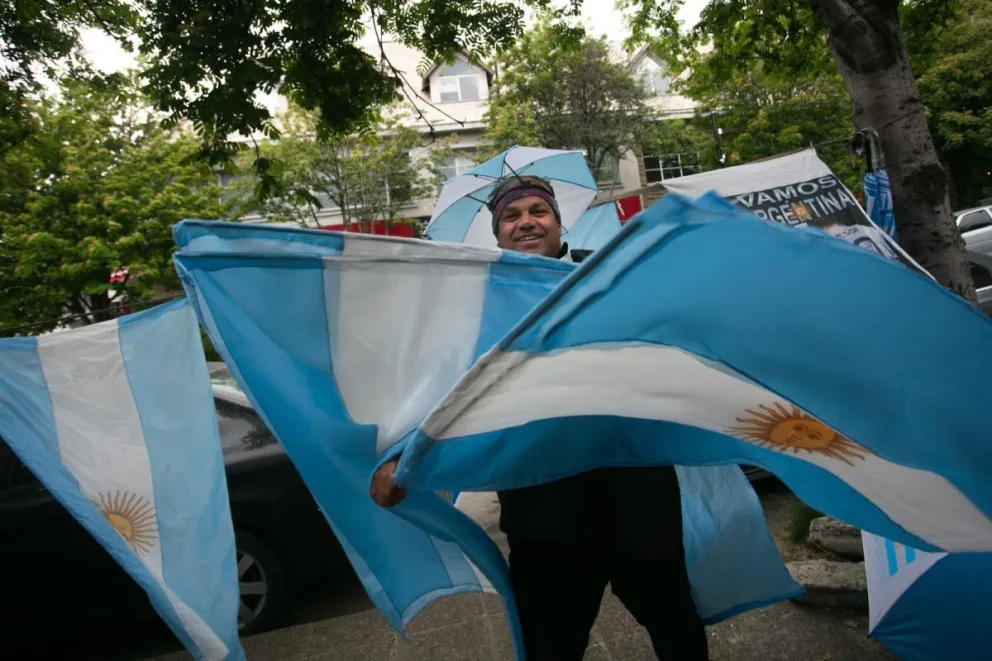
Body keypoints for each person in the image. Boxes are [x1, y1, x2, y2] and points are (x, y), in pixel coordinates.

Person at [371, 175, 709, 661]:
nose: (526, 221)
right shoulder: (476, 307)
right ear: (497, 232)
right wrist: (402, 458)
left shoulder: (609, 276)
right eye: (512, 215)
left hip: (639, 503)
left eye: (537, 210)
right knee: (551, 648)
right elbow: (445, 389)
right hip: (544, 520)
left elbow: (673, 339)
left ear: (556, 220)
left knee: (679, 634)